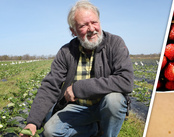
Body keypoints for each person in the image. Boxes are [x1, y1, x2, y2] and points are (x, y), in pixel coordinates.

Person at [19, 0, 134, 137]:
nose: (91, 29)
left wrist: (78, 88)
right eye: (83, 25)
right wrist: (33, 122)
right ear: (73, 31)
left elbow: (126, 81)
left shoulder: (115, 43)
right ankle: (94, 129)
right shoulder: (66, 52)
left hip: (104, 106)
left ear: (100, 22)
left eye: (94, 22)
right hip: (78, 108)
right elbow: (50, 86)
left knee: (114, 100)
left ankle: (106, 133)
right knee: (50, 132)